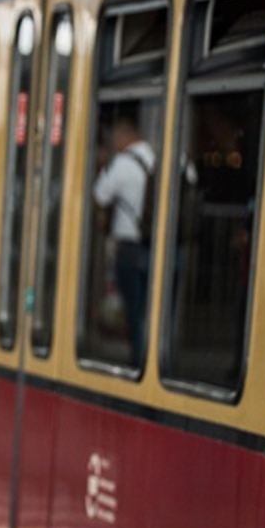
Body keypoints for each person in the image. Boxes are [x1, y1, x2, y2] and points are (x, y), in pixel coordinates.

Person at [93, 114, 154, 368]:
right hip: (158, 246)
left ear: (124, 136)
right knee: (151, 308)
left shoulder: (123, 163)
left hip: (130, 246)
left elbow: (100, 195)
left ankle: (138, 359)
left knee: (134, 308)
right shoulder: (160, 157)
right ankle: (150, 357)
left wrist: (105, 165)